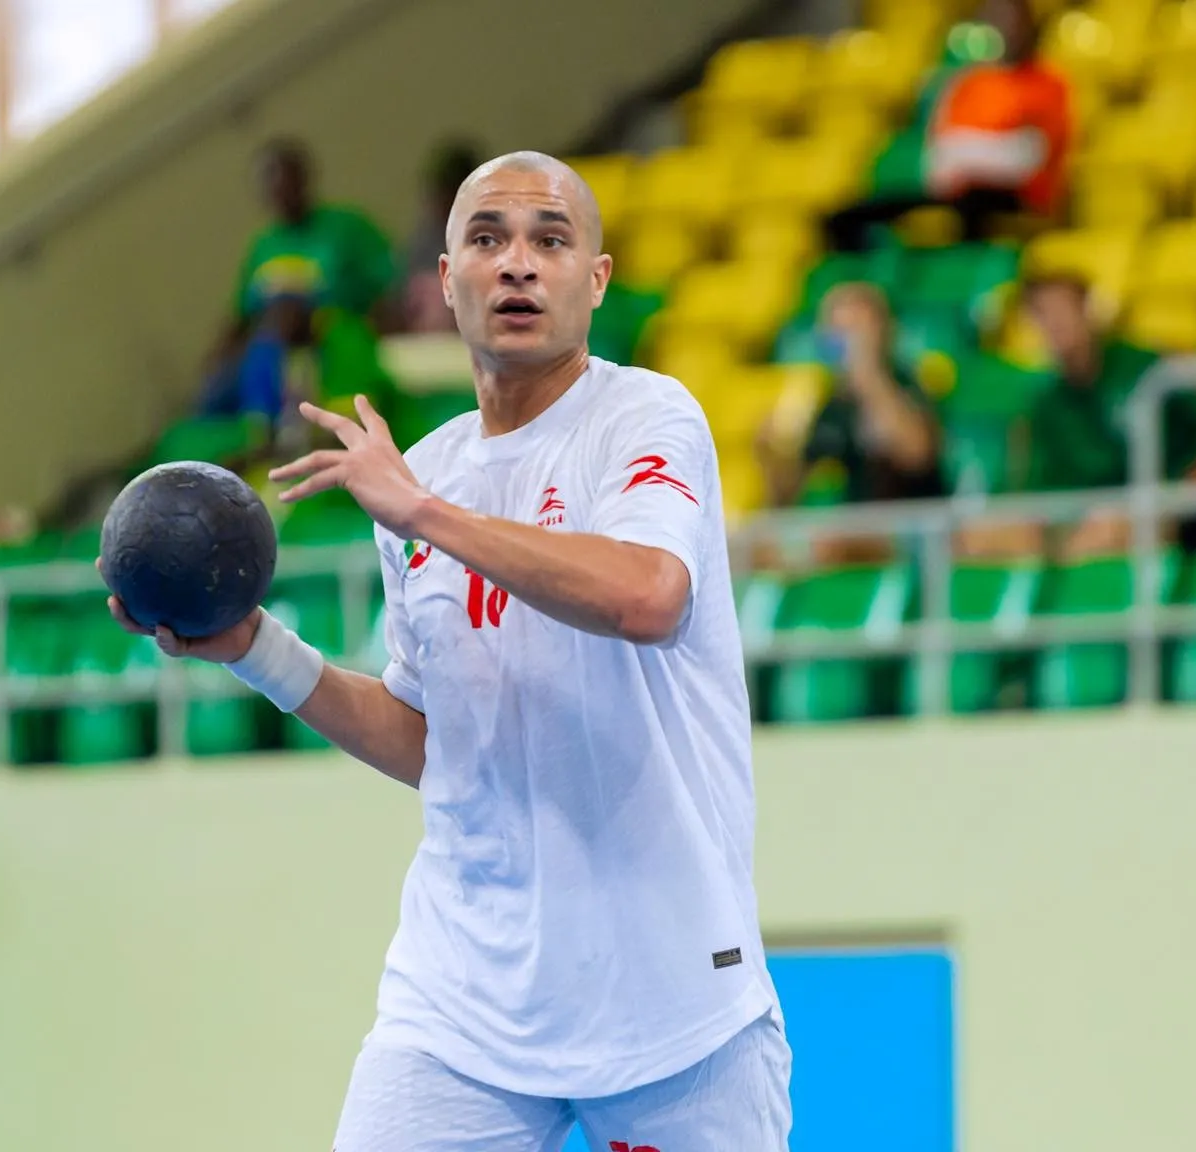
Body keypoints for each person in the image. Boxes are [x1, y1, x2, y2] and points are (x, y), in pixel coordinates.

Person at [107, 151, 791, 1150]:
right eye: (488, 239)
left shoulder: (645, 417)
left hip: (674, 1001)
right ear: (445, 281)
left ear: (594, 281)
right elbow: (439, 744)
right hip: (464, 1003)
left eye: (550, 240)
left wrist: (427, 514)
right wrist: (254, 646)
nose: (518, 264)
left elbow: (649, 596)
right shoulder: (423, 475)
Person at [961, 275, 1196, 560]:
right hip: (1080, 515)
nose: (1055, 323)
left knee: (1110, 529)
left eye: (1063, 309)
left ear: (1088, 309)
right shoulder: (1041, 403)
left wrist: (1195, 480)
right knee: (978, 537)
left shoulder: (1150, 368)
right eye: (1042, 313)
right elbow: (1036, 489)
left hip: (1162, 506)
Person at [825, 0, 1071, 252]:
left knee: (969, 212)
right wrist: (971, 154)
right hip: (959, 191)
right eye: (995, 17)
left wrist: (965, 153)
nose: (1005, 27)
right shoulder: (970, 84)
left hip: (1015, 197)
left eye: (1012, 19)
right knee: (847, 218)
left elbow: (1027, 158)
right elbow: (941, 150)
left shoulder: (1047, 85)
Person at [200, 139, 400, 427]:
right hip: (277, 358)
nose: (279, 188)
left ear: (304, 176)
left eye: (284, 176)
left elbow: (387, 288)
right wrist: (216, 359)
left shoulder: (346, 228)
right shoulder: (262, 246)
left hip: (339, 348)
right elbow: (241, 314)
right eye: (268, 180)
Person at [756, 282, 945, 566]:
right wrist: (771, 458)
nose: (843, 339)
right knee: (757, 549)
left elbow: (916, 454)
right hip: (853, 530)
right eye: (835, 328)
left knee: (830, 543)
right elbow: (787, 496)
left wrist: (868, 375)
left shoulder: (910, 385)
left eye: (855, 328)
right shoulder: (830, 406)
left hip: (917, 528)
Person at [404, 141, 483, 333]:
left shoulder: (492, 242)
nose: (442, 201)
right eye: (440, 193)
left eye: (451, 192)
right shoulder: (423, 245)